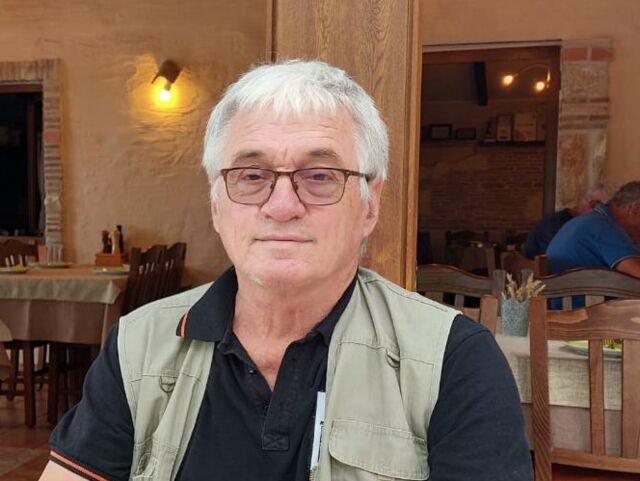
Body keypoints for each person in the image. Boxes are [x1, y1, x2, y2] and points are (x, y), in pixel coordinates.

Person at [40, 60, 532, 481]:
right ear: (216, 204)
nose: (281, 205)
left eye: (319, 176)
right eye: (251, 175)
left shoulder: (452, 361)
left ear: (370, 204)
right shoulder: (139, 346)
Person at [546, 181, 640, 276]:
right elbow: (636, 272)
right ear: (635, 210)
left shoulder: (593, 220)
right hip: (575, 284)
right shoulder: (603, 227)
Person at [522, 183, 610, 259]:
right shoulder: (553, 224)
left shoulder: (577, 223)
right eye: (605, 209)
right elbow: (565, 256)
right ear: (593, 205)